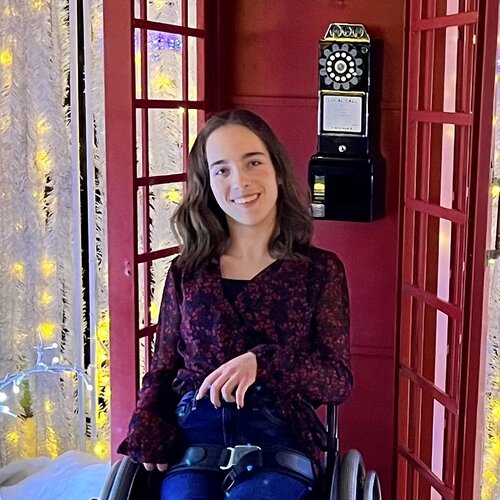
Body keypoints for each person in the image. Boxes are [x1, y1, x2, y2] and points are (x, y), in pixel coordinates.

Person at [117, 109, 353, 499]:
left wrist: (262, 362)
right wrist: (145, 422)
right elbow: (161, 371)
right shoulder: (187, 271)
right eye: (221, 170)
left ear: (276, 169)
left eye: (253, 162)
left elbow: (337, 379)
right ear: (208, 184)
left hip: (279, 437)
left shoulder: (319, 270)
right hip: (195, 436)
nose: (240, 181)